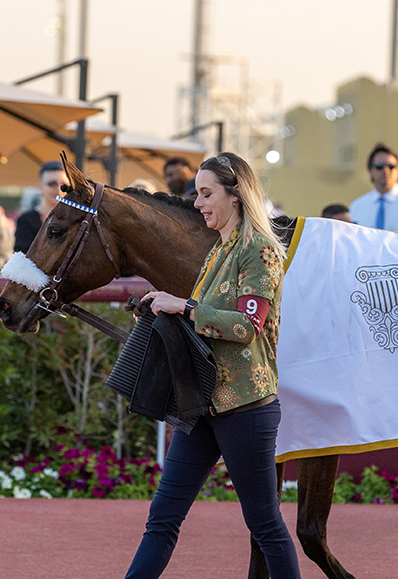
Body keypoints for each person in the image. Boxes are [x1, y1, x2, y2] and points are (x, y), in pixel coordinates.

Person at [128, 152, 300, 578]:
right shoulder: (218, 250)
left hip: (246, 410)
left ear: (236, 195)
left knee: (265, 526)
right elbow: (202, 319)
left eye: (207, 194)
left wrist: (183, 306)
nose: (198, 202)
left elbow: (246, 326)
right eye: (197, 194)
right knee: (162, 518)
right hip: (203, 406)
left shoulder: (258, 248)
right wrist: (160, 310)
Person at [348, 143, 398, 232]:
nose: (386, 170)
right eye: (379, 166)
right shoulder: (357, 207)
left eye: (391, 166)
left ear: (397, 170)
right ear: (370, 171)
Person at [14, 161, 68, 253]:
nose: (59, 189)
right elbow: (24, 256)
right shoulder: (26, 220)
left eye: (64, 185)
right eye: (52, 184)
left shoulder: (76, 219)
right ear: (40, 187)